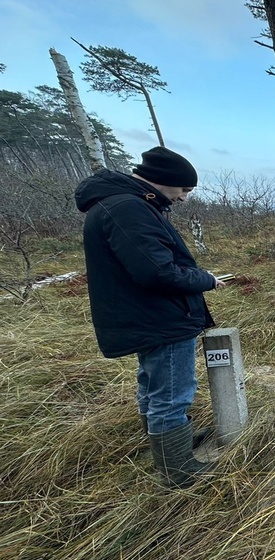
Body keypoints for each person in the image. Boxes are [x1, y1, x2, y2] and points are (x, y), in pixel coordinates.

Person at [75, 146, 227, 488]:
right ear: (163, 180)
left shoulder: (122, 203)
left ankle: (166, 446)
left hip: (147, 315)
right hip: (160, 318)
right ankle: (178, 471)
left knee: (153, 385)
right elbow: (157, 272)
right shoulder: (127, 208)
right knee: (172, 394)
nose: (184, 198)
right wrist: (205, 279)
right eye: (184, 189)